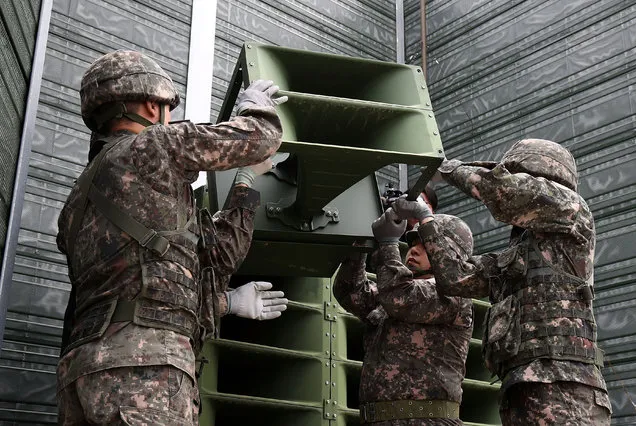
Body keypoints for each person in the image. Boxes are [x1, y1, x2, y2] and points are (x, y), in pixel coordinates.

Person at [56, 49, 288, 425]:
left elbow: (157, 279)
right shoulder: (152, 146)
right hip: (144, 369)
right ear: (152, 104)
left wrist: (224, 302)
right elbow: (260, 139)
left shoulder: (76, 201)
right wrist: (256, 109)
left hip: (80, 373)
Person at [396, 139, 611, 425]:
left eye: (517, 174)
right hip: (522, 389)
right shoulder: (517, 254)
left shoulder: (570, 208)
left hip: (566, 387)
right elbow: (455, 279)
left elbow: (504, 192)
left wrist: (445, 168)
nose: (511, 180)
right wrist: (426, 222)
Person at [333, 205, 474, 425]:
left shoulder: (453, 295)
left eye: (425, 245)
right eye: (413, 243)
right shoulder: (395, 292)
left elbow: (400, 297)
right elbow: (350, 293)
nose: (414, 250)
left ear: (450, 255)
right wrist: (362, 239)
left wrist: (388, 243)